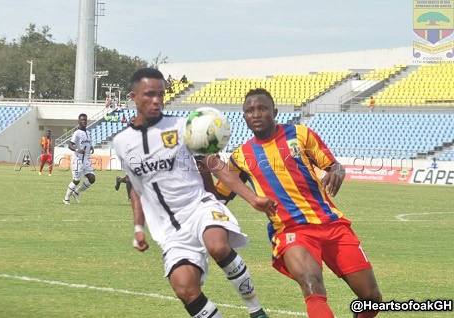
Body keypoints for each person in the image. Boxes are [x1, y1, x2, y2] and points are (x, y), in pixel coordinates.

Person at [113, 68, 277, 318]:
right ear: (134, 97)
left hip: (199, 207)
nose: (156, 100)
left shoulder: (183, 127)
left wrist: (252, 198)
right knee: (185, 289)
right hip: (169, 230)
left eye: (161, 94)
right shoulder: (122, 142)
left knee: (218, 246)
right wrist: (138, 228)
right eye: (149, 95)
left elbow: (213, 164)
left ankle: (257, 312)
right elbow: (137, 186)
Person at [210, 88, 382, 318]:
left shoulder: (301, 135)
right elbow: (218, 195)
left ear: (275, 112)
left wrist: (337, 172)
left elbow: (333, 165)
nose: (256, 114)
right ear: (244, 118)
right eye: (250, 110)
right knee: (311, 283)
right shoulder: (241, 157)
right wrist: (203, 164)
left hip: (331, 224)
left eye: (262, 108)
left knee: (372, 299)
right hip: (291, 231)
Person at [63, 113, 96, 205]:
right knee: (76, 180)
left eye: (85, 120)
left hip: (86, 160)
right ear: (79, 121)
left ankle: (77, 193)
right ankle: (66, 198)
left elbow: (87, 144)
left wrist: (91, 147)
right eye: (82, 120)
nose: (83, 121)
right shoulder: (77, 133)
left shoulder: (88, 133)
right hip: (78, 160)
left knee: (92, 178)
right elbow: (70, 145)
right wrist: (77, 149)